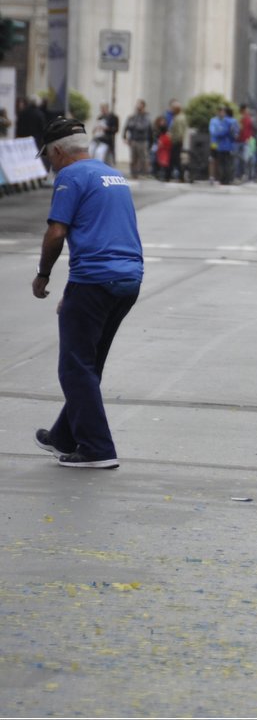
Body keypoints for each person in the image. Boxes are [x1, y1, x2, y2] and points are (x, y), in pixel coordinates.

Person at [31, 118, 144, 469]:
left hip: (96, 279)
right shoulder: (112, 174)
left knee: (74, 367)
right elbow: (103, 234)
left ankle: (97, 448)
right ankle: (64, 436)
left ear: (60, 152)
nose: (51, 166)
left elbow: (56, 233)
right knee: (88, 364)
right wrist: (72, 290)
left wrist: (43, 275)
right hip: (128, 280)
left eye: (50, 158)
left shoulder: (70, 177)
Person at [209, 104, 239, 184]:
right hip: (215, 143)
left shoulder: (227, 121)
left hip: (223, 144)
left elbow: (232, 132)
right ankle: (213, 176)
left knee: (223, 162)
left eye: (223, 112)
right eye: (221, 112)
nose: (222, 113)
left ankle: (223, 178)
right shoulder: (214, 120)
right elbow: (213, 132)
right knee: (213, 159)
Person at [122, 100, 152, 178]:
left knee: (143, 158)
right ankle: (134, 174)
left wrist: (134, 125)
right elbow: (127, 126)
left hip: (142, 140)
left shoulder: (146, 116)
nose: (138, 107)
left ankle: (144, 173)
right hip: (133, 140)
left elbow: (143, 127)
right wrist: (124, 137)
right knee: (133, 158)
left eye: (140, 106)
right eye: (137, 106)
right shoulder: (133, 117)